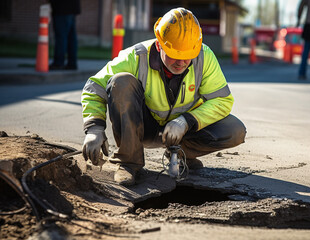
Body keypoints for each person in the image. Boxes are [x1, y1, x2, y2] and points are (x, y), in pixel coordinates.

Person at [81, 8, 246, 186]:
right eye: (175, 56)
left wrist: (186, 120)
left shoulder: (204, 58)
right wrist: (94, 129)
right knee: (120, 82)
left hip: (181, 132)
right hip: (143, 127)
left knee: (234, 130)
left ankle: (180, 153)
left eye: (187, 57)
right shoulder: (136, 57)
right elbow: (94, 85)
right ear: (160, 45)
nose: (181, 63)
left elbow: (222, 101)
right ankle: (129, 163)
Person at [49, 0, 80, 70]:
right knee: (71, 38)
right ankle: (72, 63)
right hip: (72, 8)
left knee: (61, 37)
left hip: (61, 8)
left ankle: (58, 63)